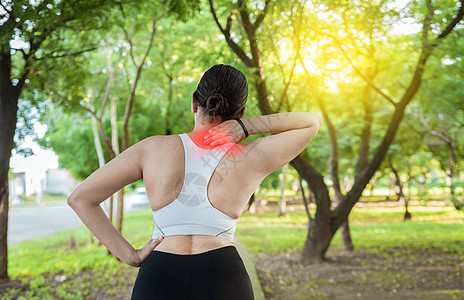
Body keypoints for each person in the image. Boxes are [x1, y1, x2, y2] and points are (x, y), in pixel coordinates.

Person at [67, 64, 322, 299]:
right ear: (241, 112)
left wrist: (130, 256)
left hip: (159, 277)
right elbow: (311, 122)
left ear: (193, 102)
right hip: (224, 277)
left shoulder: (152, 149)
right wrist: (247, 127)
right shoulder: (251, 156)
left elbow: (80, 198)